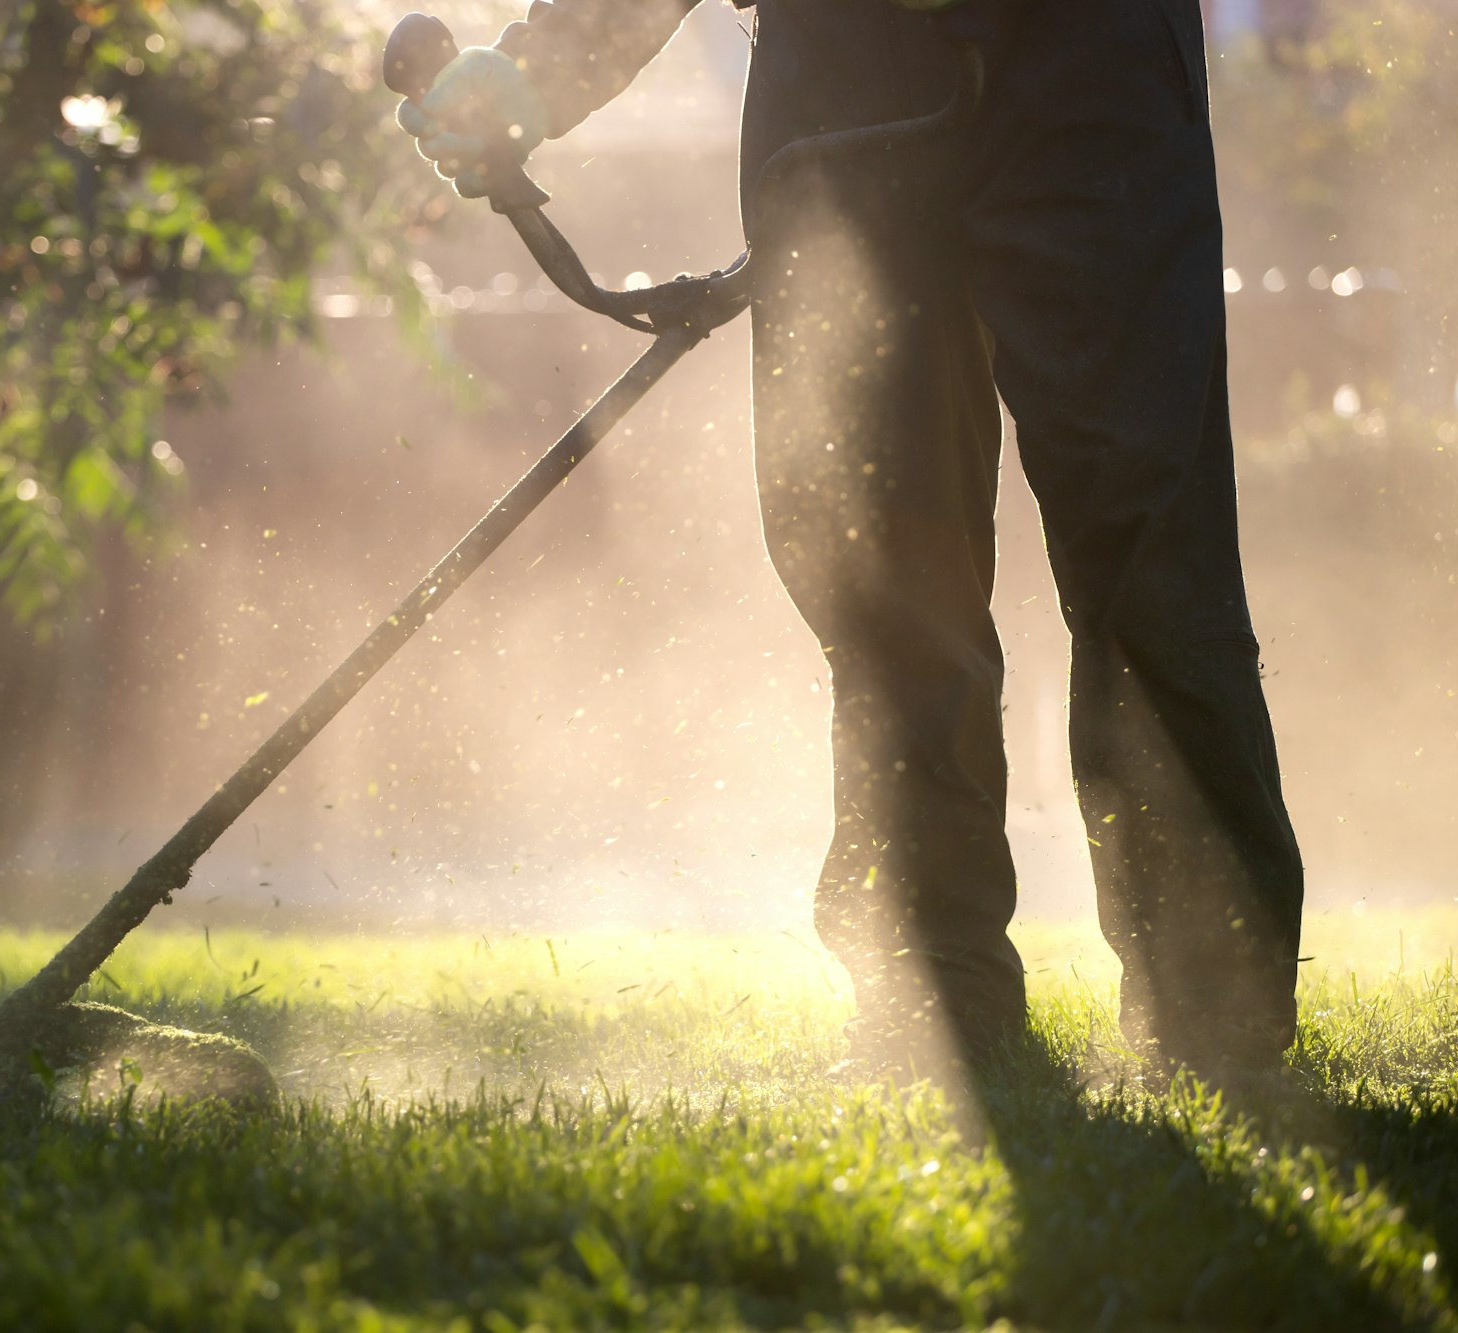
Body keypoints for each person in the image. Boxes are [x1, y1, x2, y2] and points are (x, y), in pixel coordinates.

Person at [396, 0, 1304, 1082]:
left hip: (1087, 49)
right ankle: (934, 998)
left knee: (1145, 524)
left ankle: (1216, 1005)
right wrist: (538, 71)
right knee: (878, 547)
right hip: (840, 54)